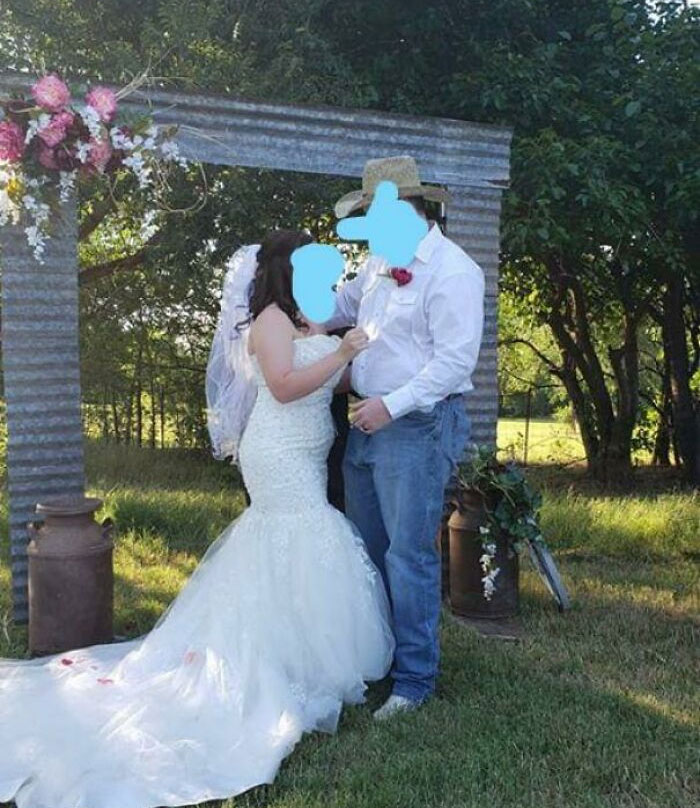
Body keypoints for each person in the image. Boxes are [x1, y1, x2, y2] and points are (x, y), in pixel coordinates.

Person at [0, 229, 394, 808]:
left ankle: (301, 651)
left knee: (307, 535)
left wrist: (360, 359)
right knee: (294, 532)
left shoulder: (308, 322)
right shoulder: (269, 322)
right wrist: (342, 352)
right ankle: (280, 657)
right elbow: (284, 387)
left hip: (308, 450)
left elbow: (331, 380)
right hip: (278, 452)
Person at [326, 155, 485, 720]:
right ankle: (380, 657)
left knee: (408, 555)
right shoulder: (376, 262)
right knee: (366, 551)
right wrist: (284, 312)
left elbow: (453, 364)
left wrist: (389, 407)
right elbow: (339, 308)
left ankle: (415, 680)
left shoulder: (454, 271)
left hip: (413, 426)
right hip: (365, 425)